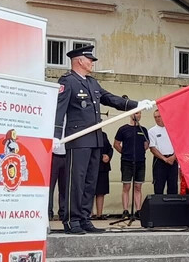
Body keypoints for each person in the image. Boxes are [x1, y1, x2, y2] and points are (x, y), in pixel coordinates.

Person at [54, 45, 153, 234]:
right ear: (79, 61)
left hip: (95, 138)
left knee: (91, 181)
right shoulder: (68, 82)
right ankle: (71, 220)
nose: (92, 63)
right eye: (89, 59)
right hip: (78, 139)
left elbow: (110, 99)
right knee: (76, 181)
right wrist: (56, 136)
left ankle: (84, 218)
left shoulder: (92, 83)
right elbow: (59, 110)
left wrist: (136, 104)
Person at [114, 112, 149, 219]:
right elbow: (116, 144)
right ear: (131, 114)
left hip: (140, 161)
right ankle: (125, 210)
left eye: (139, 113)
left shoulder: (143, 130)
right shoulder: (123, 129)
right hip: (127, 162)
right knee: (126, 186)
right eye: (135, 113)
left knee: (138, 186)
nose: (137, 115)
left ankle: (138, 210)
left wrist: (139, 152)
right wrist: (125, 153)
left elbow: (146, 145)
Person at [148, 109, 178, 195]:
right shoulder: (152, 131)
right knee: (158, 186)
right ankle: (159, 208)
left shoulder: (173, 129)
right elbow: (152, 148)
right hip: (160, 161)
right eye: (155, 117)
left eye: (159, 116)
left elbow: (178, 145)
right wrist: (164, 159)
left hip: (173, 160)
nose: (157, 119)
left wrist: (174, 157)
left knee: (173, 186)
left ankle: (172, 207)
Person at [94, 130, 113, 219]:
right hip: (91, 166)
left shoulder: (103, 134)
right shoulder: (87, 134)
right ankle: (88, 214)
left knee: (101, 191)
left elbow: (110, 148)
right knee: (89, 191)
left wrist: (108, 156)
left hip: (103, 166)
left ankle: (99, 214)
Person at [48, 129, 66, 221]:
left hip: (66, 155)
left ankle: (63, 212)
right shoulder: (55, 119)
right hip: (53, 155)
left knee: (64, 187)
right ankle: (48, 212)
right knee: (50, 187)